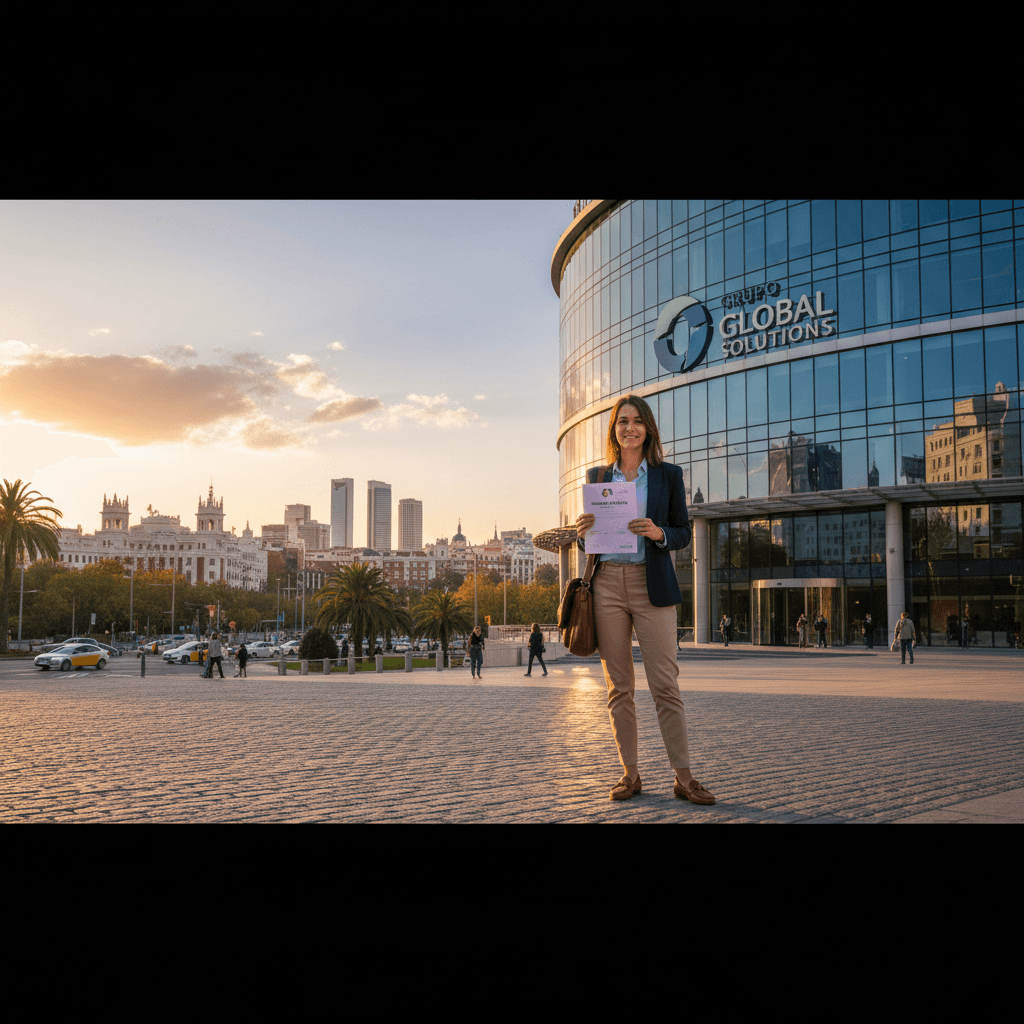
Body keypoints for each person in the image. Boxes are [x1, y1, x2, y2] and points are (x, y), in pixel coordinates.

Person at [576, 394, 715, 806]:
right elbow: (591, 540)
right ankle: (630, 774)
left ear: (648, 428)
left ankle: (684, 777)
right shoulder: (598, 475)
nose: (630, 428)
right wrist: (583, 533)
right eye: (622, 421)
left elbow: (682, 531)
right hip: (606, 585)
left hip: (650, 583)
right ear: (614, 430)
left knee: (665, 685)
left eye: (637, 421)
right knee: (619, 687)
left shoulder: (668, 475)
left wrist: (658, 533)